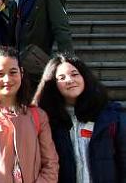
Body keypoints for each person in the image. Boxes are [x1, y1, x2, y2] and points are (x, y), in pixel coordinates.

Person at [0, 47, 59, 183]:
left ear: (21, 73)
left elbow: (51, 163)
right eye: (0, 74)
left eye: (13, 72)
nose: (7, 79)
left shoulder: (38, 115)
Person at [34, 54, 126, 183]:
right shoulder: (46, 120)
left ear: (84, 77)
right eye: (61, 77)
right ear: (53, 85)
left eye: (74, 74)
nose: (69, 80)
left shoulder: (111, 115)